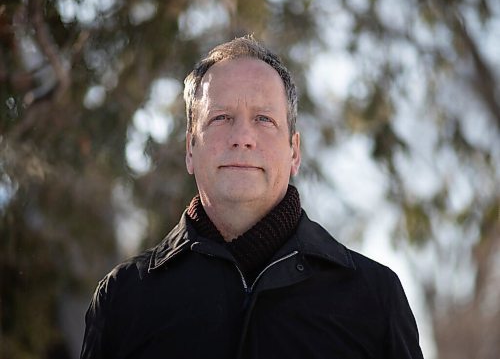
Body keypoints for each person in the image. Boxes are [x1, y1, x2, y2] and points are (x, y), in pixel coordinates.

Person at [80, 36, 424, 359]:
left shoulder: (374, 298)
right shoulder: (123, 299)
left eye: (263, 119)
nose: (242, 137)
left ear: (294, 151)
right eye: (221, 118)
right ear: (190, 149)